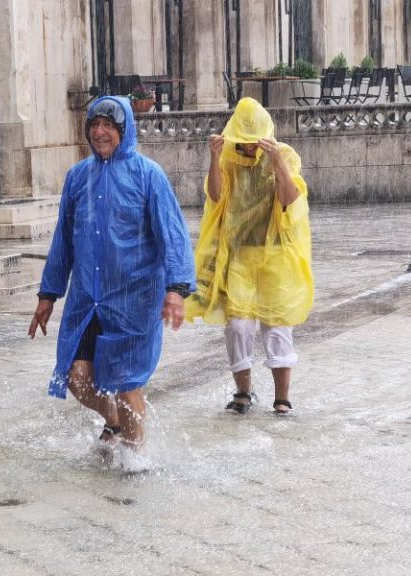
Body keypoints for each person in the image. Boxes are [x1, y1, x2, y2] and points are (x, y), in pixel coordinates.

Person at [28, 95, 195, 469]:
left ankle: (136, 461)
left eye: (109, 126)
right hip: (88, 298)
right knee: (77, 376)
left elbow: (173, 235)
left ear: (124, 130)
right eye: (94, 125)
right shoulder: (78, 177)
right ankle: (116, 424)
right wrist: (48, 294)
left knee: (127, 383)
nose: (100, 132)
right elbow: (63, 240)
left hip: (134, 299)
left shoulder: (148, 175)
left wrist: (176, 289)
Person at [186, 97, 314, 415]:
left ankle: (282, 398)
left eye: (254, 142)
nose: (249, 149)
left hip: (276, 256)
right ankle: (243, 391)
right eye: (243, 143)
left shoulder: (283, 156)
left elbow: (291, 200)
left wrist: (278, 164)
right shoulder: (228, 159)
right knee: (238, 327)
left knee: (277, 326)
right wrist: (214, 157)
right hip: (240, 255)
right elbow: (215, 197)